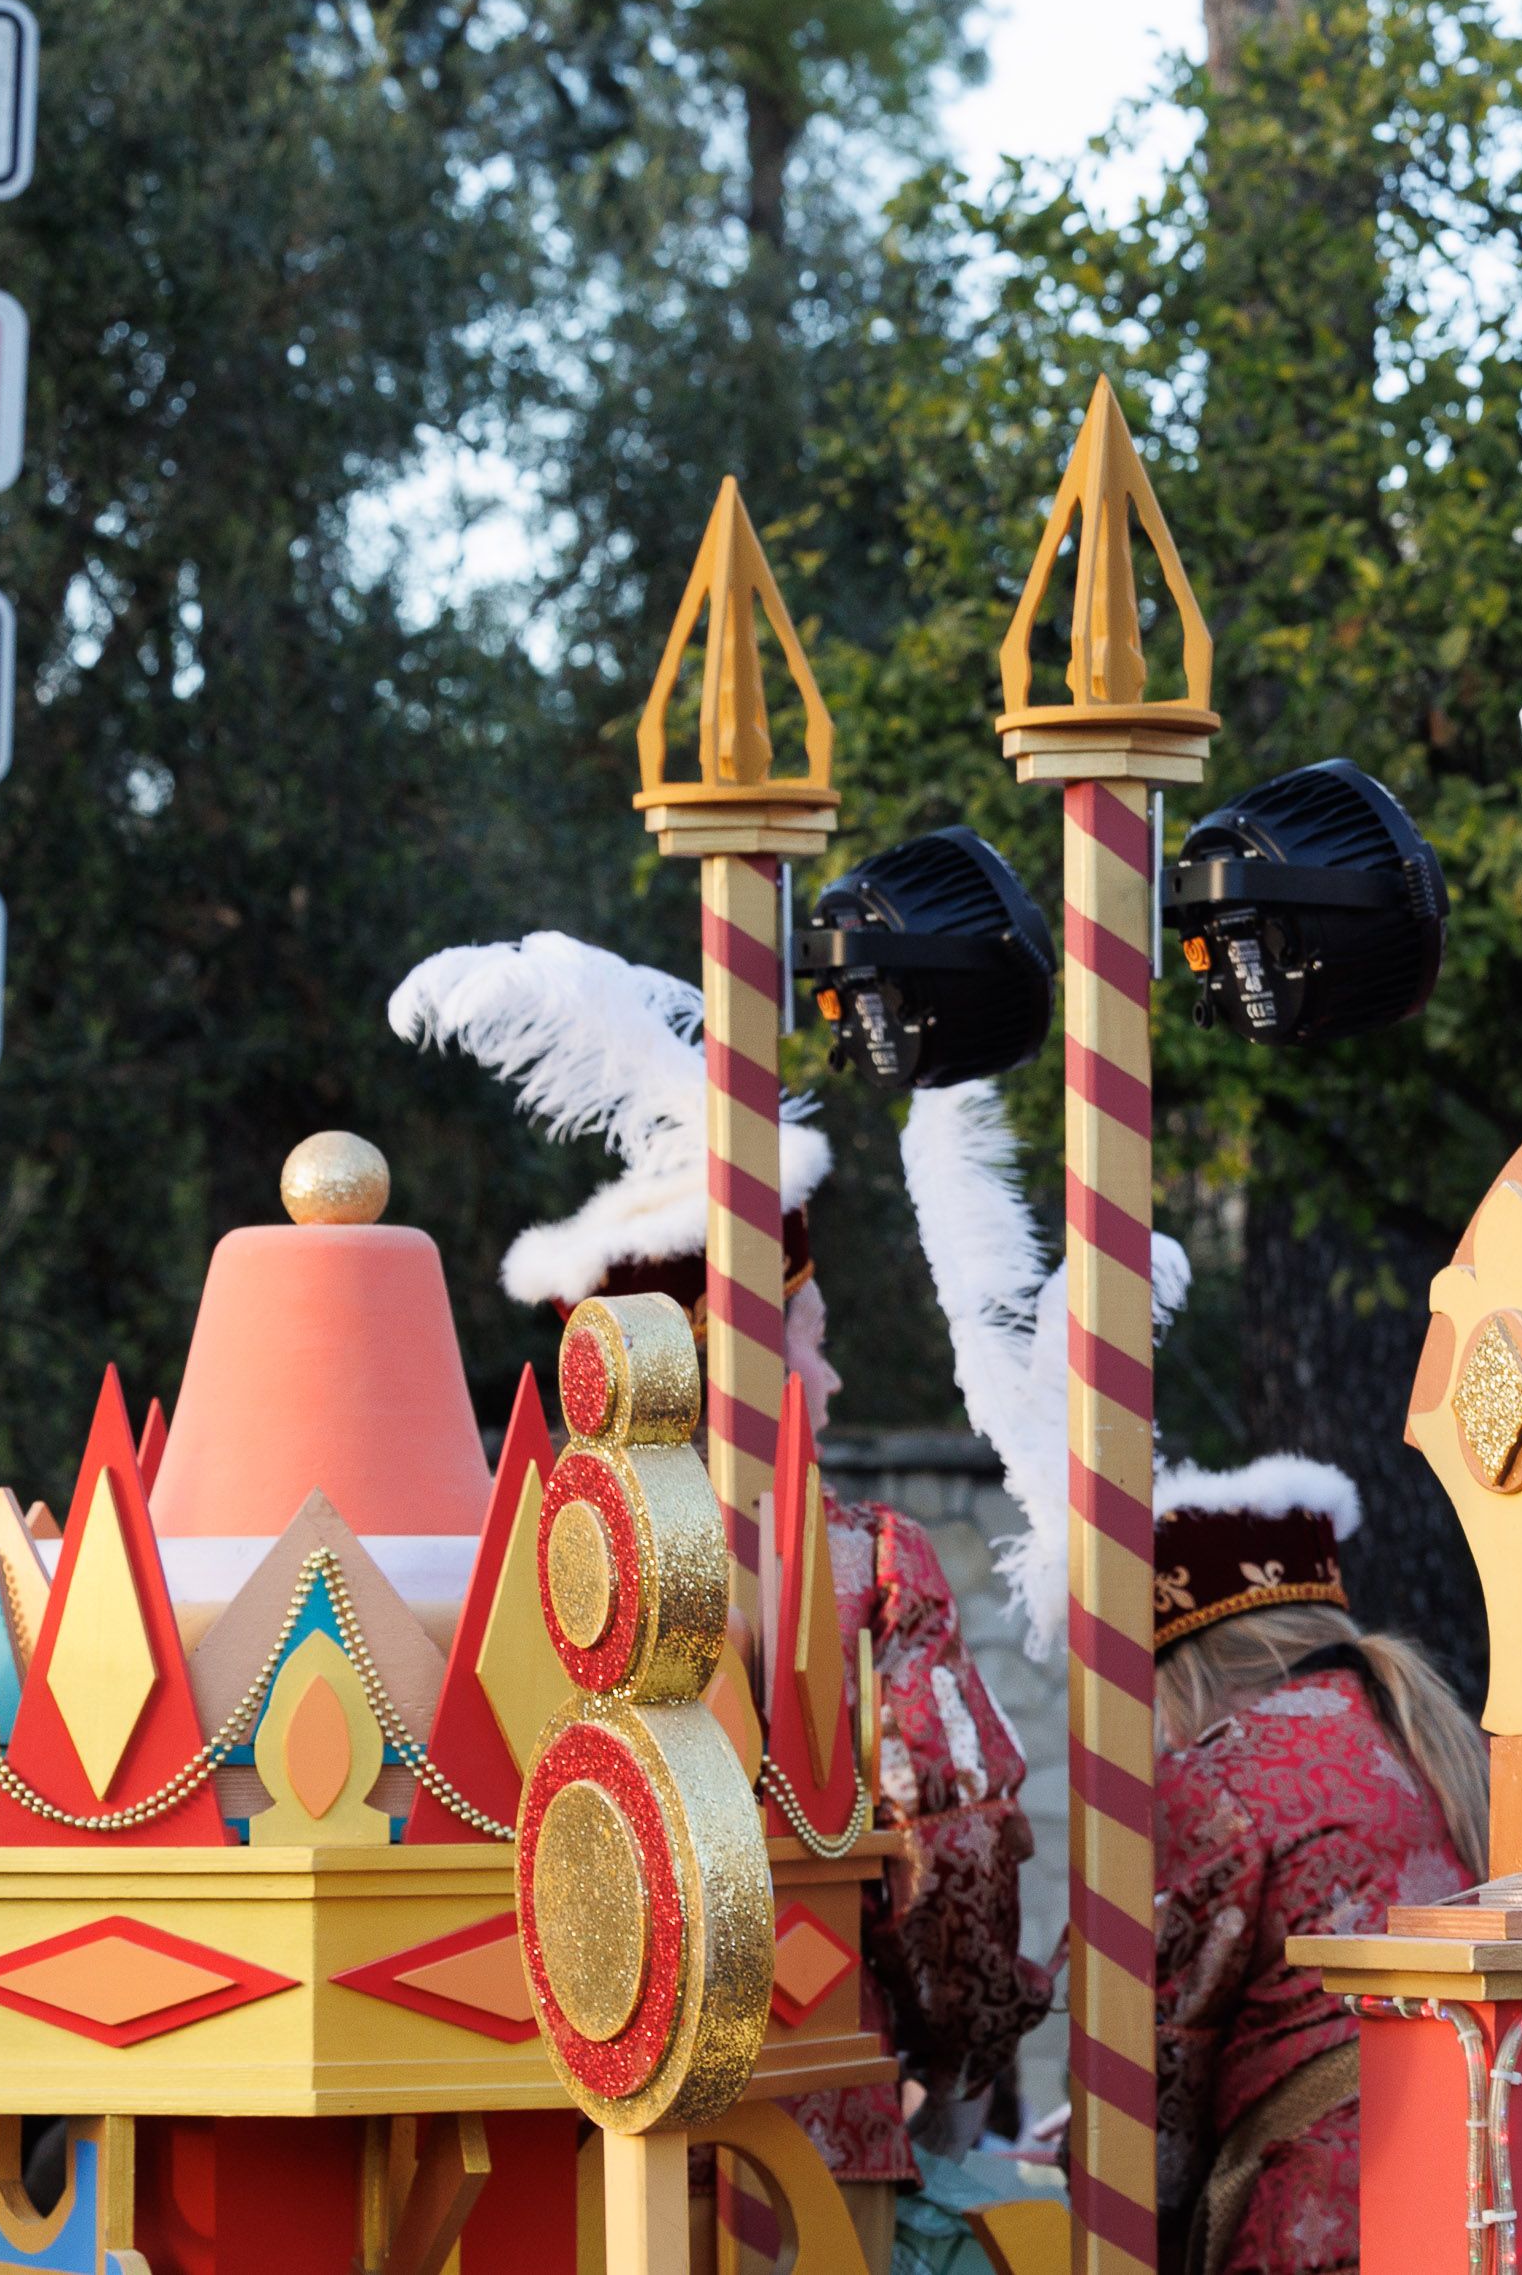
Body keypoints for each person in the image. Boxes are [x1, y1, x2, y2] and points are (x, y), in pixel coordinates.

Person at [393, 936, 1057, 2255]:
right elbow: (957, 1847)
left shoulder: (495, 1581)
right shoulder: (863, 1562)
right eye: (815, 1341)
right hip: (802, 2152)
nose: (837, 1380)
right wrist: (959, 2066)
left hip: (540, 2154)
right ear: (734, 1359)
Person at [1144, 1457, 1489, 2275]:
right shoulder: (1425, 1732)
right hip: (1486, 2174)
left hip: (1331, 2215)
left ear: (1184, 1669)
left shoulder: (1215, 1776)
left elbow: (1161, 2056)